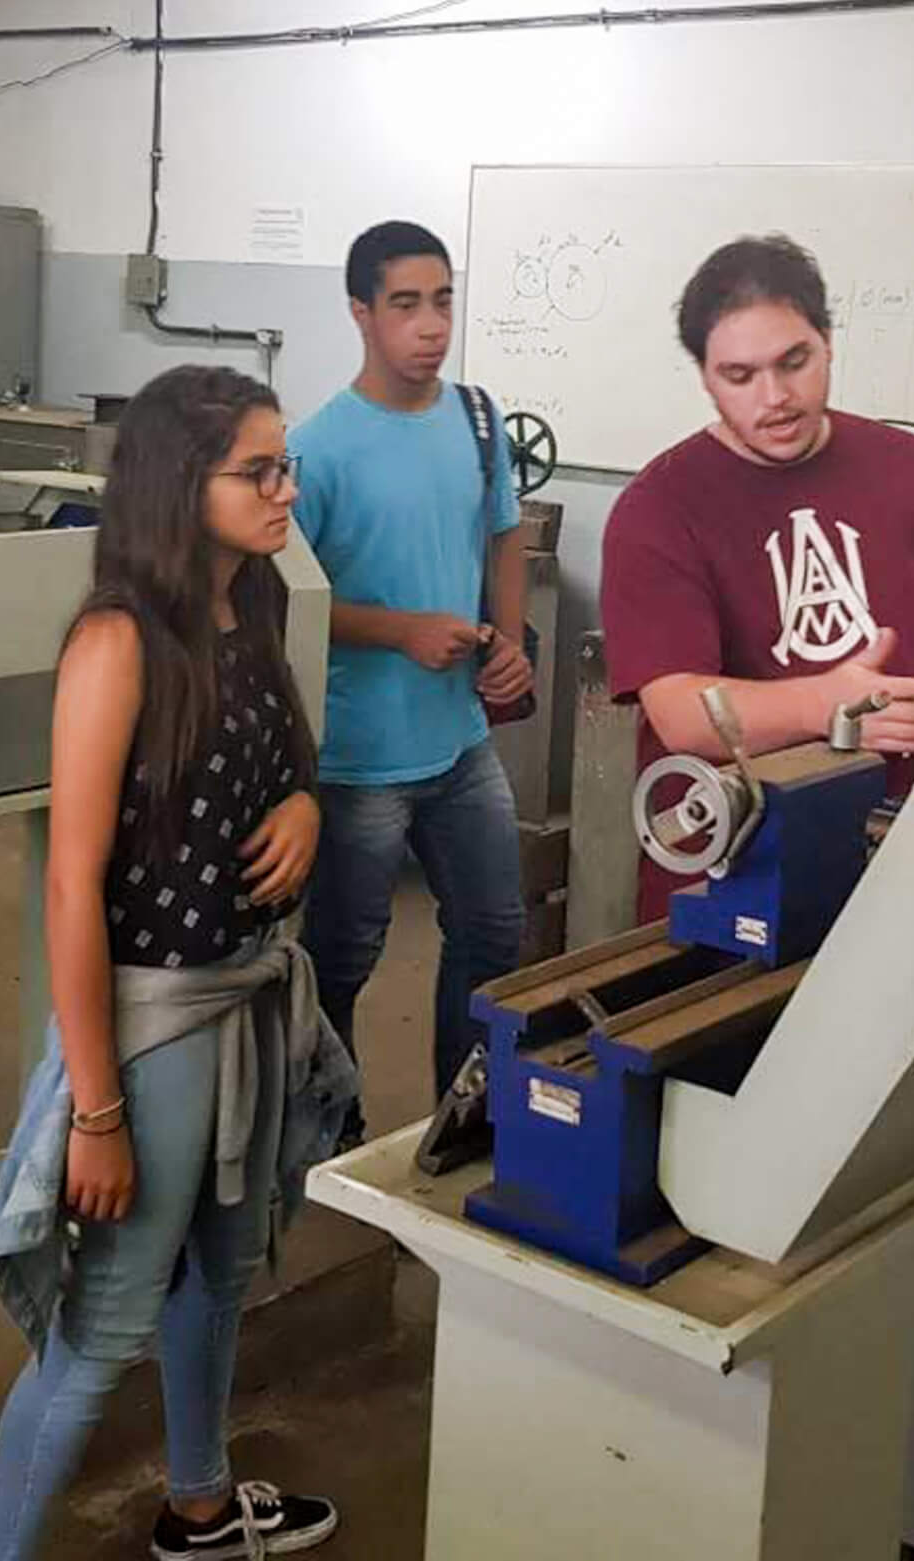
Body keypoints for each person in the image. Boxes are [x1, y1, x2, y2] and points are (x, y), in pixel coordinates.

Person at [0, 365, 353, 1561]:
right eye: (259, 471)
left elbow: (280, 764)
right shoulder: (117, 643)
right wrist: (96, 1111)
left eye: (286, 465)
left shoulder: (256, 604)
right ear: (181, 486)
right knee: (99, 1331)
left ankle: (199, 1503)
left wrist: (305, 807)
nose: (286, 490)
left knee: (222, 1271)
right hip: (161, 1025)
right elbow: (71, 887)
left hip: (250, 991)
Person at [601, 233, 914, 921]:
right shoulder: (659, 508)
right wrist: (828, 704)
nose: (776, 397)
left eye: (795, 362)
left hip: (895, 851)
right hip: (733, 869)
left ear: (828, 343)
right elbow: (680, 714)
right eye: (740, 375)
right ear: (704, 376)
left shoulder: (909, 468)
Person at [291, 220, 530, 1125]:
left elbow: (503, 533)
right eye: (405, 305)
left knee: (494, 933)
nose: (431, 326)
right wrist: (399, 632)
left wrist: (510, 640)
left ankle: (461, 1122)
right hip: (359, 758)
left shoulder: (477, 418)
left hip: (461, 743)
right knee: (342, 958)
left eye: (442, 302)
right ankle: (329, 1136)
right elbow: (288, 602)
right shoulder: (318, 449)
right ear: (361, 313)